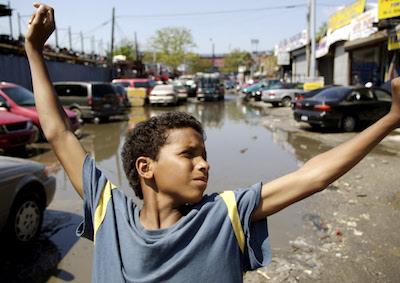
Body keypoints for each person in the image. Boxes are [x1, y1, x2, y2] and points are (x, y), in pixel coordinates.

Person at [25, 3, 400, 283]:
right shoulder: (109, 212)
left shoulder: (224, 215)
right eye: (189, 155)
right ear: (145, 167)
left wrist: (391, 118)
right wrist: (34, 51)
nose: (204, 165)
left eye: (204, 155)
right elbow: (58, 132)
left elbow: (313, 176)